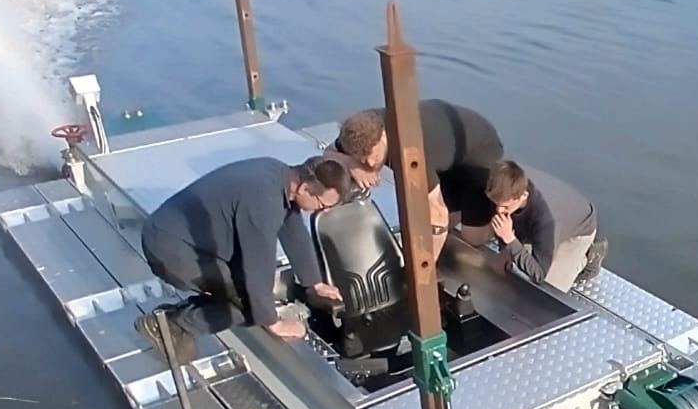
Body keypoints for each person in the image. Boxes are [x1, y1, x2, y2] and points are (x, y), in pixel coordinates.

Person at [136, 154, 349, 362]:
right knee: (250, 306)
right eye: (322, 205)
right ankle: (170, 325)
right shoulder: (263, 200)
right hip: (171, 250)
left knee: (245, 293)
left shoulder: (279, 176)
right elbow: (257, 266)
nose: (320, 211)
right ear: (305, 189)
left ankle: (175, 316)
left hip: (172, 234)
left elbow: (294, 231)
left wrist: (315, 283)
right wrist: (274, 323)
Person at [331, 100, 503, 256]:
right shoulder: (357, 132)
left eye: (372, 155)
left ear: (383, 136)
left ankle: (504, 212)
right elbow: (329, 152)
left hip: (478, 150)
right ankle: (460, 209)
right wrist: (352, 165)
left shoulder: (410, 154)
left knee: (472, 236)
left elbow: (438, 215)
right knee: (435, 220)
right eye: (361, 158)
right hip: (443, 149)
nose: (369, 163)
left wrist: (425, 267)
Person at [457, 159, 600, 290]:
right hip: (551, 209)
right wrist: (505, 251)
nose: (499, 211)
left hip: (579, 225)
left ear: (523, 196)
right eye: (496, 204)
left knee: (548, 290)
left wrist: (510, 240)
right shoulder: (505, 183)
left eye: (505, 207)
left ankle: (589, 258)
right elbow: (507, 221)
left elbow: (539, 274)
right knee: (520, 253)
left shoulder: (545, 220)